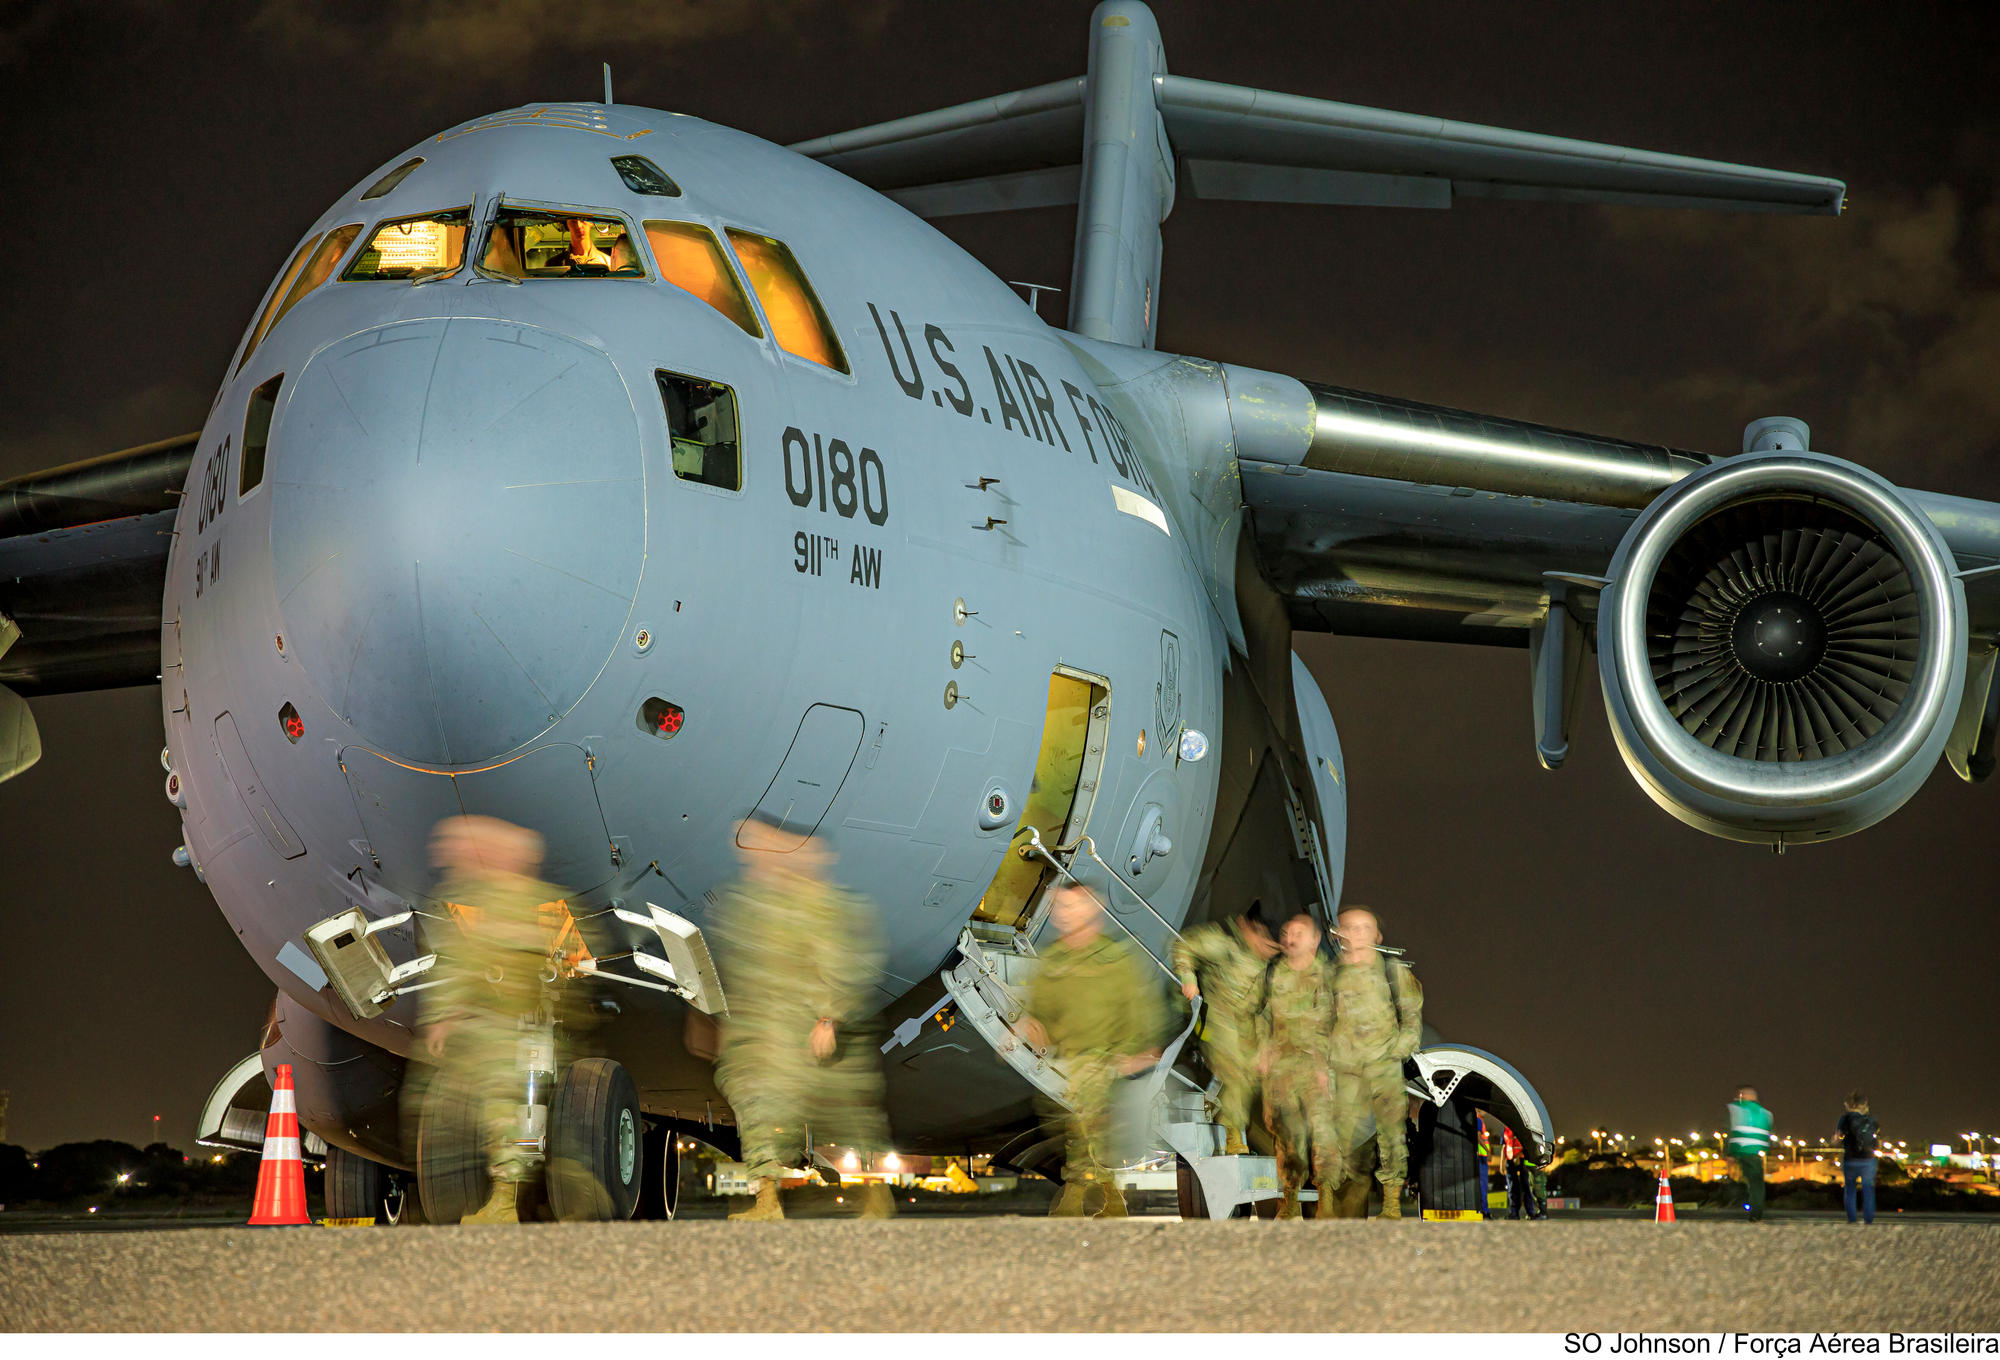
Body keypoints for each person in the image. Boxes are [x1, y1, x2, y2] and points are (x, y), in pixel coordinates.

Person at [709, 815, 893, 1222]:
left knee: (849, 1115)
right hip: (765, 1036)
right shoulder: (748, 904)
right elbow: (740, 972)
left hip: (817, 1032)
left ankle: (878, 1197)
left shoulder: (827, 904)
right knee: (757, 1111)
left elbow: (845, 964)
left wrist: (828, 1017)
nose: (750, 850)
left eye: (757, 841)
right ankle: (767, 1202)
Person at [418, 815, 571, 1225]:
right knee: (504, 1113)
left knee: (511, 1114)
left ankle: (507, 1201)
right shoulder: (491, 900)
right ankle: (510, 1197)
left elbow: (569, 964)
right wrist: (446, 1017)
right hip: (498, 1031)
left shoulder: (532, 903)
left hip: (516, 1031)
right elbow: (465, 968)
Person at [1020, 881, 1167, 1218]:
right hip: (1069, 1060)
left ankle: (1073, 1197)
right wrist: (1031, 1029)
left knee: (1083, 1114)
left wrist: (1137, 1053)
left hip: (1110, 1057)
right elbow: (1041, 1015)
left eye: (1072, 907)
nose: (1063, 914)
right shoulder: (1053, 960)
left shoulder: (1117, 959)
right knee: (1078, 1120)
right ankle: (1112, 1198)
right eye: (1059, 907)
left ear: (1093, 909)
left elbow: (1142, 1013)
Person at [1327, 906, 1423, 1220]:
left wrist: (1398, 1050)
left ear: (1377, 935)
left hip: (1384, 1065)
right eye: (1348, 927)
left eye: (1363, 928)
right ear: (1338, 933)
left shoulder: (1393, 972)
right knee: (1341, 1136)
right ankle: (1339, 1203)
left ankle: (1392, 1204)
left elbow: (1411, 1018)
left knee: (1392, 1137)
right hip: (1346, 1068)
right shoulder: (1330, 974)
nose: (1355, 934)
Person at [1255, 911, 1344, 1220]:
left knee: (1323, 1135)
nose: (1290, 938)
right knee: (1286, 1137)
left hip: (1315, 1068)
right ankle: (1289, 1203)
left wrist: (1326, 1063)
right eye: (1286, 933)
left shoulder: (1328, 977)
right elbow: (1262, 1014)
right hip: (1281, 1070)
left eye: (1298, 933)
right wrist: (1263, 1047)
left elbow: (1339, 1024)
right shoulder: (1273, 974)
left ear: (1315, 939)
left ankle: (1326, 1202)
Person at [1170, 903, 1278, 1155]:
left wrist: (1264, 1047)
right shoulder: (1227, 946)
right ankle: (1231, 1132)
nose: (1268, 952)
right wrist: (1188, 977)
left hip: (1244, 1029)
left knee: (1248, 1074)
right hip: (1216, 1022)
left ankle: (1217, 1112)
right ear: (1255, 932)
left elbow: (1264, 1010)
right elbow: (1185, 945)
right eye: (1267, 945)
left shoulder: (1264, 969)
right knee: (1237, 1073)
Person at [1726, 1085, 1774, 1222]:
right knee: (1756, 1183)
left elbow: (1728, 1130)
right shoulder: (1766, 1113)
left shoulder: (1735, 1109)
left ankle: (1742, 1206)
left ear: (1742, 1096)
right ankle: (1756, 1212)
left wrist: (1729, 1153)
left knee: (1740, 1180)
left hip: (1740, 1150)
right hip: (1757, 1153)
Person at [1836, 1092, 1879, 1225]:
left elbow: (1838, 1137)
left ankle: (1852, 1219)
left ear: (1851, 1104)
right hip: (1868, 1160)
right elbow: (1876, 1136)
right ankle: (1869, 1219)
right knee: (1868, 1190)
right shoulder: (1871, 1120)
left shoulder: (1845, 1119)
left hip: (1850, 1160)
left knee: (1850, 1190)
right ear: (1865, 1104)